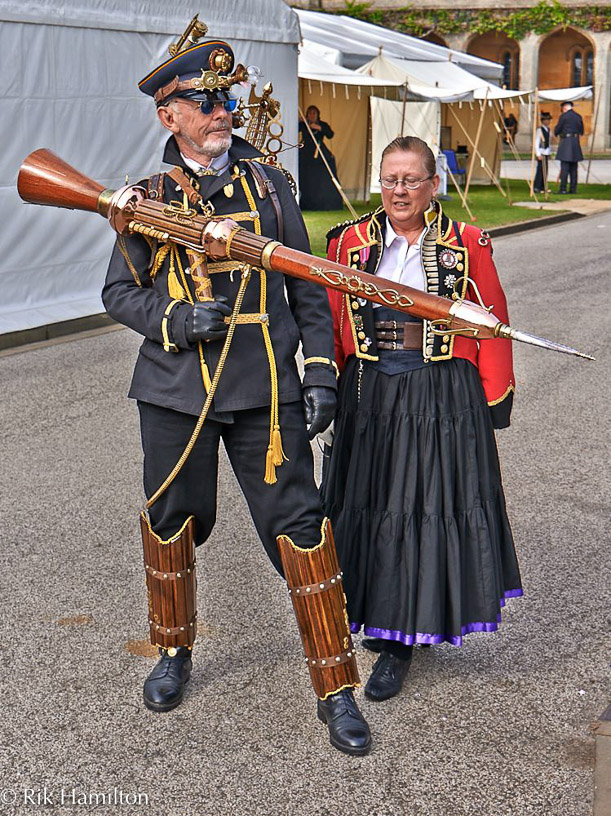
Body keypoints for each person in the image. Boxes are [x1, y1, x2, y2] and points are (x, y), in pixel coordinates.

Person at [102, 23, 371, 756]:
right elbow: (119, 296)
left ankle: (335, 686)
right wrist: (175, 318)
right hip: (174, 390)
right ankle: (172, 650)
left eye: (225, 99)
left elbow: (311, 290)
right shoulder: (146, 198)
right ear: (169, 115)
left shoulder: (270, 185)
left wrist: (319, 371)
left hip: (265, 395)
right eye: (203, 101)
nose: (222, 111)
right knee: (170, 524)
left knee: (303, 530)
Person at [321, 136, 522, 702]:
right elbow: (333, 317)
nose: (399, 190)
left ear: (433, 185)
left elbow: (493, 319)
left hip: (437, 392)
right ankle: (370, 608)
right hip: (368, 390)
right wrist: (327, 386)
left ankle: (400, 639)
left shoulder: (468, 244)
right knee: (368, 504)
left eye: (411, 179)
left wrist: (493, 397)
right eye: (389, 179)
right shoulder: (349, 242)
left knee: (417, 507)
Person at [298, 105, 343, 210]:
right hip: (306, 153)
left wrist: (320, 128)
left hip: (319, 151)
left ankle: (325, 200)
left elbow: (330, 135)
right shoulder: (303, 124)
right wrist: (299, 121)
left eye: (314, 113)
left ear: (317, 115)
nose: (312, 115)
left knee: (328, 166)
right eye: (310, 113)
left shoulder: (322, 124)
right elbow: (294, 129)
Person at [554, 101, 584, 195]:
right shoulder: (578, 116)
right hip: (575, 142)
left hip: (566, 141)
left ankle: (563, 188)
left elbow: (558, 128)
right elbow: (581, 130)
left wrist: (556, 133)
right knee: (574, 168)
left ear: (564, 108)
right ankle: (573, 189)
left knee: (565, 168)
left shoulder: (564, 116)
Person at [533, 111, 553, 194]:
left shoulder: (548, 129)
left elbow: (549, 142)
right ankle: (537, 187)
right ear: (543, 121)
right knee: (540, 170)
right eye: (546, 120)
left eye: (549, 120)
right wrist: (538, 154)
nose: (548, 121)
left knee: (545, 170)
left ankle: (543, 186)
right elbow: (536, 142)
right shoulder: (539, 130)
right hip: (541, 152)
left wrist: (549, 153)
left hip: (546, 152)